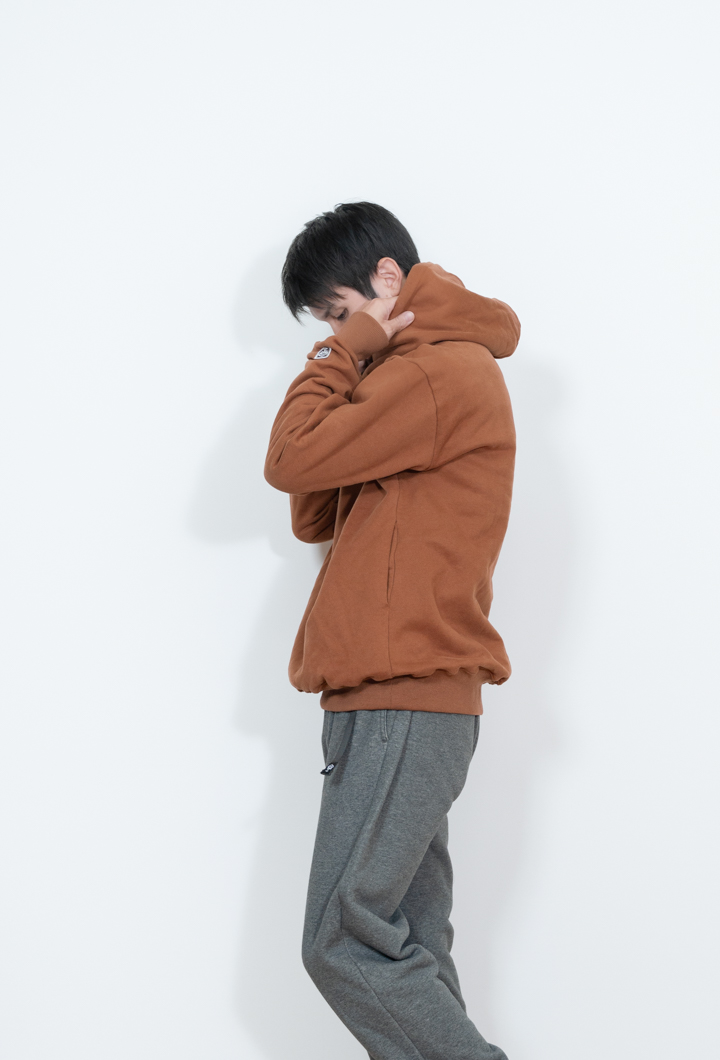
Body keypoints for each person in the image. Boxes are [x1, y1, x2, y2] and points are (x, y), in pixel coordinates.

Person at [264, 201, 519, 1059]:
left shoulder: (435, 373)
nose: (338, 335)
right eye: (328, 327)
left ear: (386, 278)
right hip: (395, 694)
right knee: (407, 943)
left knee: (341, 941)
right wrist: (357, 360)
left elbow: (287, 460)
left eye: (339, 313)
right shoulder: (401, 376)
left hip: (402, 693)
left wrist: (341, 356)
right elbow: (312, 510)